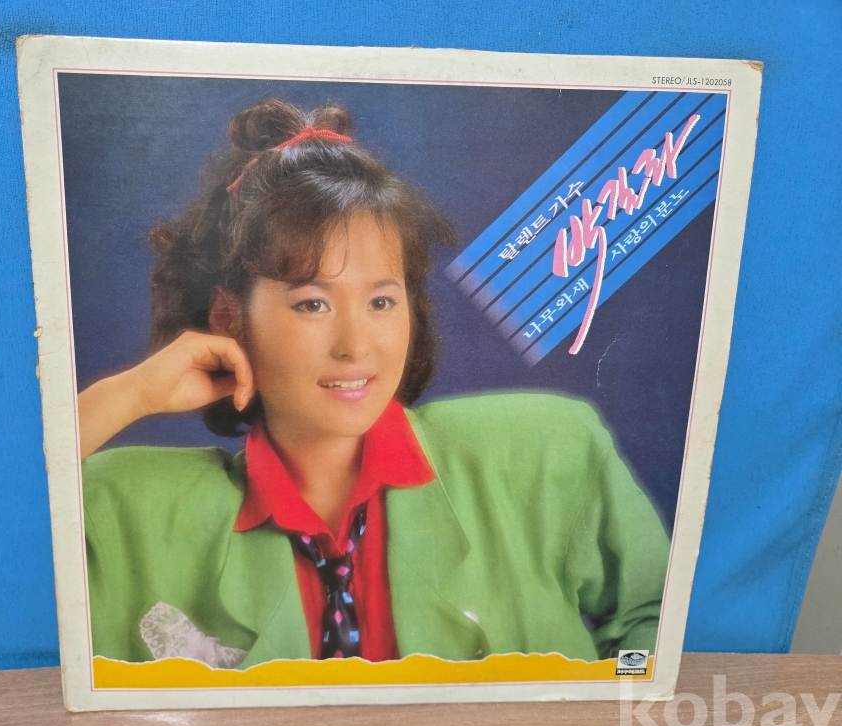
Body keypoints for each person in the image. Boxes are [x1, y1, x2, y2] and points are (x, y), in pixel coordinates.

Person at [78, 98, 670, 669]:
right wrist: (126, 395)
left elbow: (659, 635)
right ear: (230, 319)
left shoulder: (550, 450)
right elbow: (17, 524)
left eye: (382, 301)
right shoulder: (124, 507)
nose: (356, 346)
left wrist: (607, 710)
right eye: (312, 304)